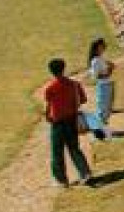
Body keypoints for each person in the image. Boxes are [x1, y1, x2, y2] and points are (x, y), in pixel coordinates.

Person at [38, 58, 93, 187]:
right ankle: (85, 173)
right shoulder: (74, 84)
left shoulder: (50, 88)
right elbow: (83, 99)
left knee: (57, 152)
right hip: (72, 120)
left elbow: (49, 106)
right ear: (64, 68)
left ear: (51, 71)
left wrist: (47, 116)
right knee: (74, 148)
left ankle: (62, 180)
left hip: (57, 123)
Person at [85, 38, 116, 130]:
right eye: (101, 46)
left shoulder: (100, 58)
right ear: (96, 48)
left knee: (107, 108)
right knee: (102, 108)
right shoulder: (95, 61)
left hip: (108, 84)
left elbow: (107, 69)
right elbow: (96, 76)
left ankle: (101, 127)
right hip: (103, 85)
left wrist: (110, 67)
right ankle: (98, 128)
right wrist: (109, 70)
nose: (104, 47)